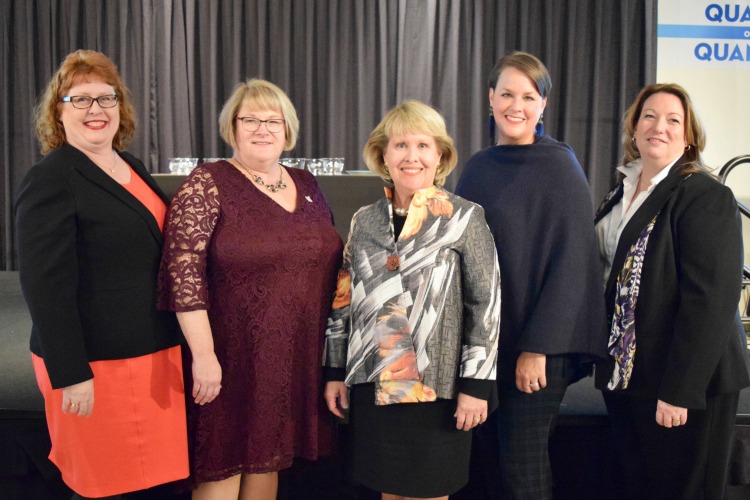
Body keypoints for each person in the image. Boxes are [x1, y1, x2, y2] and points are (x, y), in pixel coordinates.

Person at [14, 50, 188, 499]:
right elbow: (45, 288)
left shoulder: (131, 166)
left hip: (153, 359)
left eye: (106, 99)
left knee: (155, 485)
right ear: (59, 110)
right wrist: (70, 372)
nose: (96, 110)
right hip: (94, 368)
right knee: (105, 486)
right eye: (81, 100)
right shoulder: (51, 179)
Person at [158, 78, 343, 499]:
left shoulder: (307, 183)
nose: (262, 129)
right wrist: (204, 357)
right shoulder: (207, 182)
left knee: (269, 462)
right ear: (233, 127)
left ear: (288, 129)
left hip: (292, 357)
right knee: (222, 466)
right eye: (251, 119)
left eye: (272, 120)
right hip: (228, 356)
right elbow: (182, 274)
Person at [323, 100, 501, 500]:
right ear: (383, 155)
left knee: (429, 491)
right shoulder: (364, 220)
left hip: (438, 387)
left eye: (423, 145)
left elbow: (485, 306)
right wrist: (334, 370)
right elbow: (342, 300)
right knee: (390, 492)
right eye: (401, 145)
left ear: (440, 155)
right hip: (375, 383)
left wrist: (476, 385)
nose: (412, 156)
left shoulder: (465, 217)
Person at [455, 51, 607, 499]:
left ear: (543, 105)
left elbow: (573, 263)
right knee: (489, 463)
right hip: (485, 346)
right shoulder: (479, 167)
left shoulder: (559, 165)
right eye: (506, 94)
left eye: (528, 95)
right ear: (490, 97)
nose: (515, 105)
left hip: (540, 347)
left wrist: (537, 348)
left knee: (522, 467)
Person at [594, 83, 750, 499]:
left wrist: (680, 391)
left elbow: (711, 303)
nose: (658, 126)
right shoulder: (621, 191)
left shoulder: (705, 195)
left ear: (690, 136)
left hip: (685, 385)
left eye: (672, 119)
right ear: (634, 127)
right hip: (632, 377)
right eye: (649, 116)